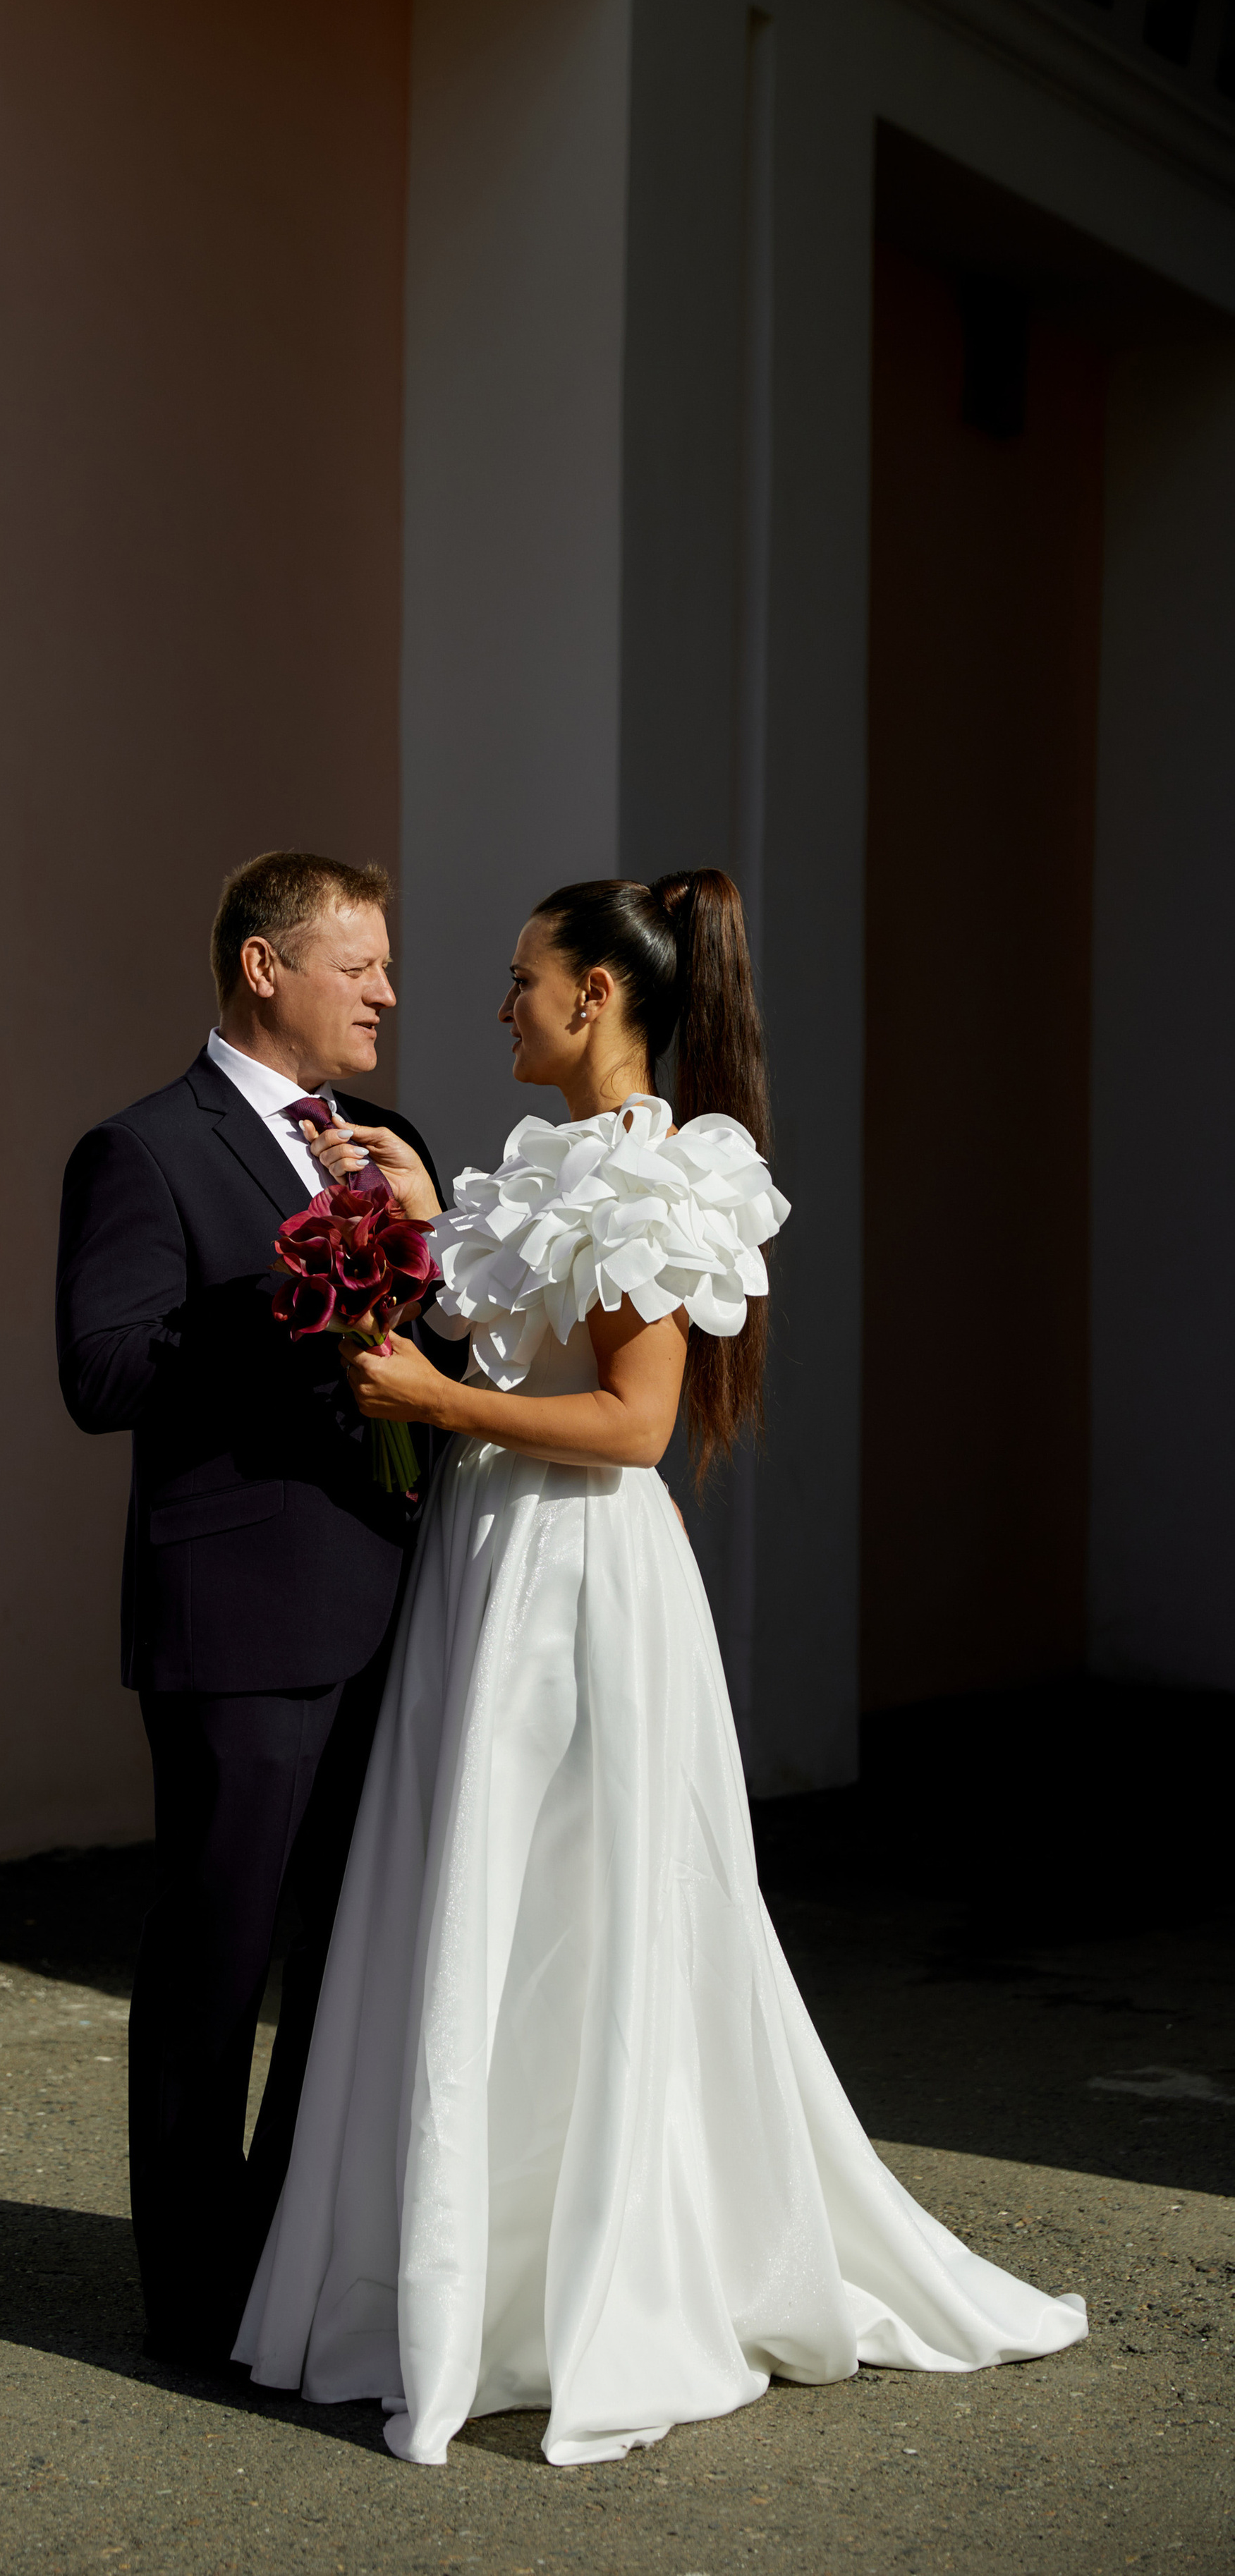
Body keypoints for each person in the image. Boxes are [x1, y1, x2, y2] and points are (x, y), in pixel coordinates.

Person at [235, 870, 1087, 2463]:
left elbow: (633, 1428)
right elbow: (533, 1326)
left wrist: (436, 1406)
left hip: (572, 1583)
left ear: (598, 999)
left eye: (516, 981)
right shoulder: (556, 1167)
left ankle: (592, 2280)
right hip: (493, 1574)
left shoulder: (653, 1181)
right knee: (488, 1909)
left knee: (575, 1913)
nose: (494, 1007)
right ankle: (472, 2277)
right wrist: (425, 1219)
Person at [55, 850, 451, 2367]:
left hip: (393, 1605)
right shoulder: (142, 1150)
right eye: (360, 967)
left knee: (353, 1966)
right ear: (263, 968)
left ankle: (290, 2264)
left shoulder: (390, 1141)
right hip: (238, 1625)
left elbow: (443, 1362)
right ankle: (191, 2299)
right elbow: (100, 1373)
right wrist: (290, 1301)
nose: (388, 994)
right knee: (217, 1962)